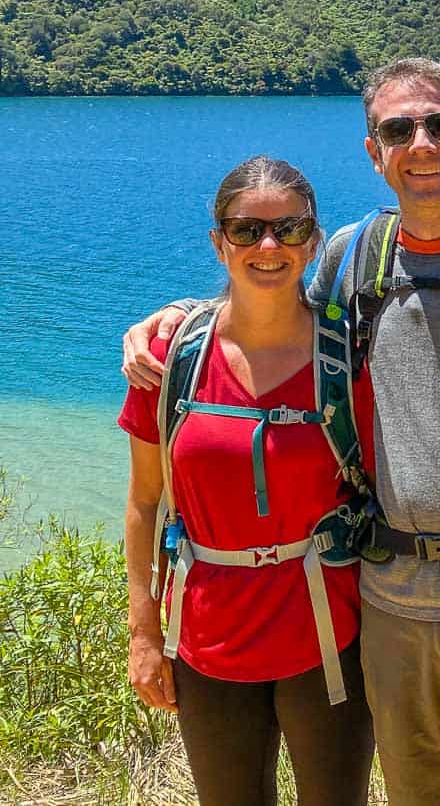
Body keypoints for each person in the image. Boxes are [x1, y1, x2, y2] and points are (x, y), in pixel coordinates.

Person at [123, 59, 440, 806]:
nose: (421, 143)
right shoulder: (353, 256)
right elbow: (267, 300)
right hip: (395, 612)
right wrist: (174, 318)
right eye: (398, 129)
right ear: (374, 151)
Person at [120, 156, 376, 806]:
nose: (269, 246)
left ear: (314, 243)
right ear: (219, 241)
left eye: (290, 230)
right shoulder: (170, 357)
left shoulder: (347, 358)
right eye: (246, 230)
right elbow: (145, 502)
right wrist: (144, 633)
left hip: (327, 640)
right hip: (207, 645)